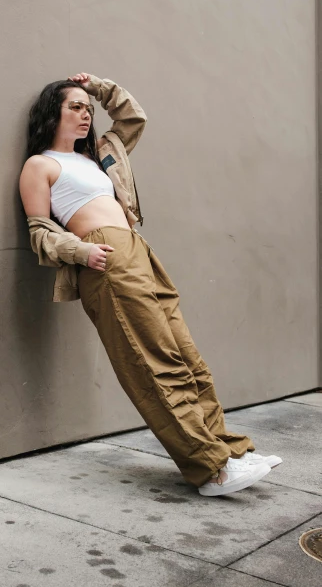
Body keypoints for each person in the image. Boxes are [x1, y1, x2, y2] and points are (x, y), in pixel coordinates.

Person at [19, 72, 282, 496]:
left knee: (187, 358)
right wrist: (80, 252)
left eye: (88, 108)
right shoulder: (41, 165)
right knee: (155, 363)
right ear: (53, 112)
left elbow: (132, 118)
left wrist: (99, 87)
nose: (85, 115)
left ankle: (228, 452)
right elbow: (38, 229)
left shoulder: (100, 154)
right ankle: (209, 470)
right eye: (75, 106)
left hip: (139, 251)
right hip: (104, 256)